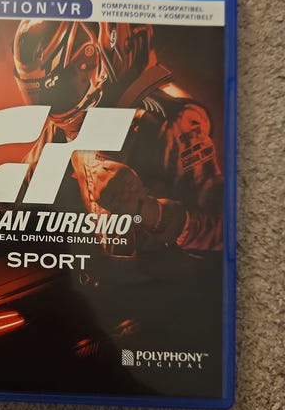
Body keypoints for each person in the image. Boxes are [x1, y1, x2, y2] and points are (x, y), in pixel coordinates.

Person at [12, 20, 223, 259]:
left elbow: (223, 230)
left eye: (56, 86)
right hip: (94, 275)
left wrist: (147, 211)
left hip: (160, 278)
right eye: (36, 92)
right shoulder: (68, 119)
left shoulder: (173, 122)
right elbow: (27, 183)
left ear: (94, 58)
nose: (49, 103)